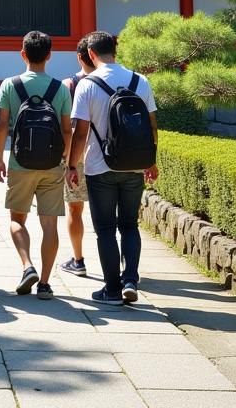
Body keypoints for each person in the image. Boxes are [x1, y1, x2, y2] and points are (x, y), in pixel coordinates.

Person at [69, 30, 158, 305]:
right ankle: (130, 278)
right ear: (115, 50)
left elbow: (80, 132)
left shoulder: (87, 84)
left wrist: (72, 165)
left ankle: (111, 290)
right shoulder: (140, 81)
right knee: (130, 224)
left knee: (106, 228)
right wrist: (151, 161)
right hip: (134, 166)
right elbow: (152, 127)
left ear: (92, 55)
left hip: (100, 166)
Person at [0, 30, 72, 300]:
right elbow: (66, 130)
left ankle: (27, 266)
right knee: (49, 224)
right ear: (49, 55)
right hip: (52, 164)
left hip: (20, 162)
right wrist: (68, 162)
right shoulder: (60, 88)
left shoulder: (9, 85)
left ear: (22, 54)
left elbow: (3, 124)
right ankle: (46, 284)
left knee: (17, 220)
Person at [59, 37, 94, 277]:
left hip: (77, 154)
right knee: (114, 213)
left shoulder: (68, 84)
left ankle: (78, 259)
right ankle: (125, 268)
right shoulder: (121, 82)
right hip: (109, 154)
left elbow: (64, 125)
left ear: (80, 57)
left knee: (75, 209)